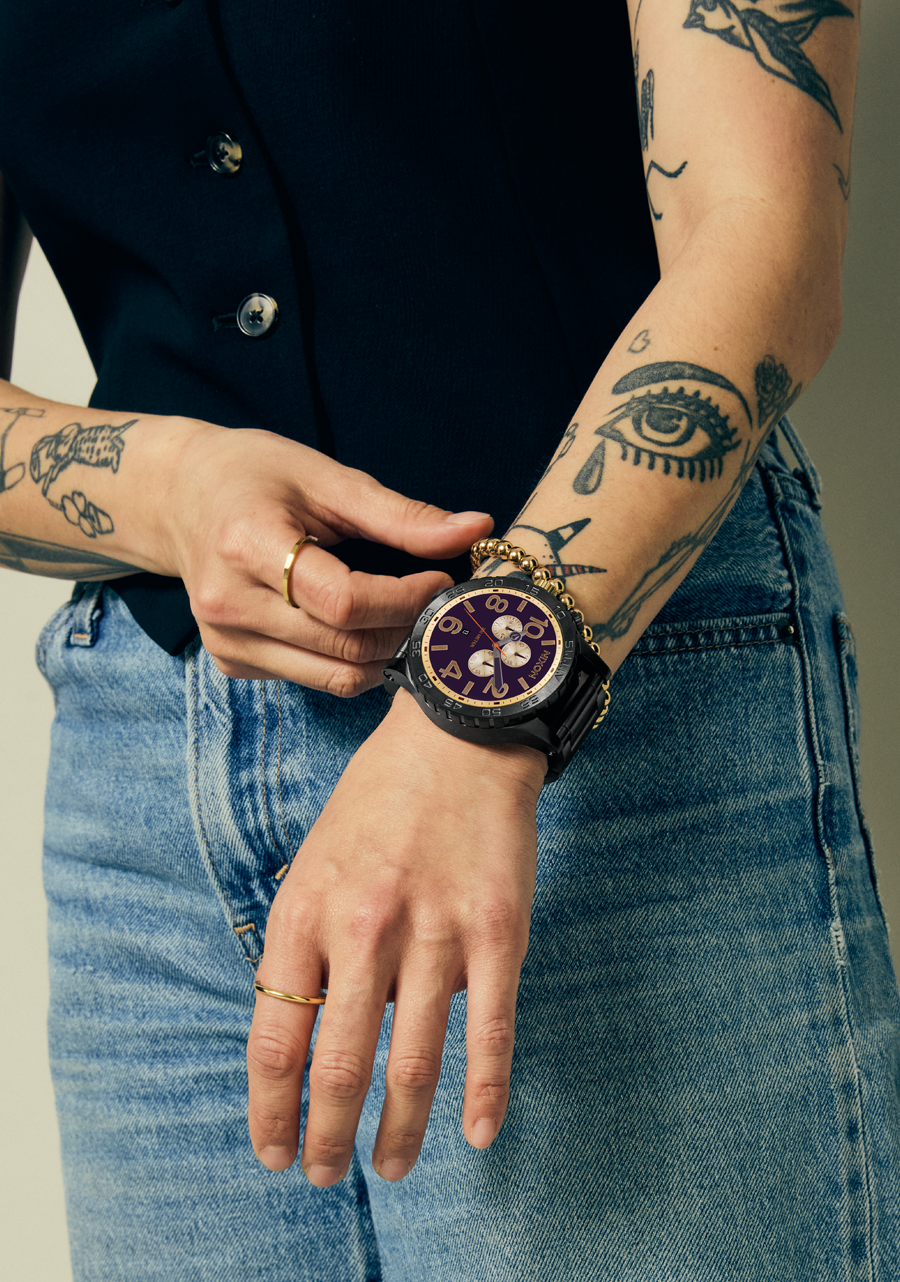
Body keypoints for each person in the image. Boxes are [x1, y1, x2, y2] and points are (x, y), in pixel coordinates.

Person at [2, 0, 898, 1277]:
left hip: (613, 726)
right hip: (150, 805)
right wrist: (169, 486)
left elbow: (765, 232)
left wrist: (483, 701)